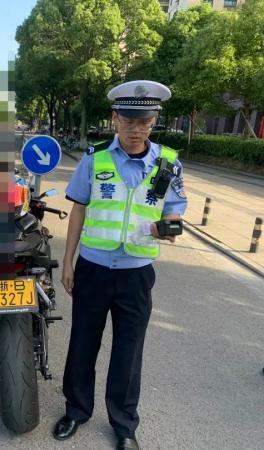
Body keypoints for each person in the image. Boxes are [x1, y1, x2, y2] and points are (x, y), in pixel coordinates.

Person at [52, 80, 188, 450]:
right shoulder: (94, 159)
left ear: (154, 120)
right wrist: (68, 263)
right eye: (128, 121)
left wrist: (167, 229)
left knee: (129, 351)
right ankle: (76, 411)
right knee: (83, 343)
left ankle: (124, 425)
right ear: (115, 118)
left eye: (144, 122)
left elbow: (175, 215)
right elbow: (78, 210)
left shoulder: (168, 164)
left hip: (136, 274)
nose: (136, 129)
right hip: (93, 268)